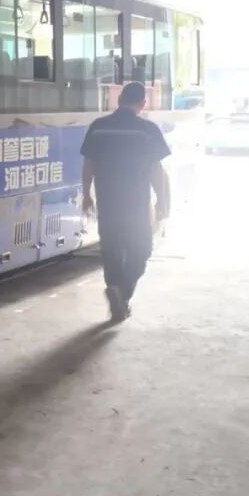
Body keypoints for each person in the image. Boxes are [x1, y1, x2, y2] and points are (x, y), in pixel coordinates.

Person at [80, 81, 171, 323]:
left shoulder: (98, 127)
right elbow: (156, 170)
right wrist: (162, 200)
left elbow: (89, 164)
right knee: (141, 249)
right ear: (142, 103)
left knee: (111, 248)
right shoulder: (147, 130)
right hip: (136, 204)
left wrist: (86, 194)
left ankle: (114, 287)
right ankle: (124, 291)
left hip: (108, 202)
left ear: (119, 100)